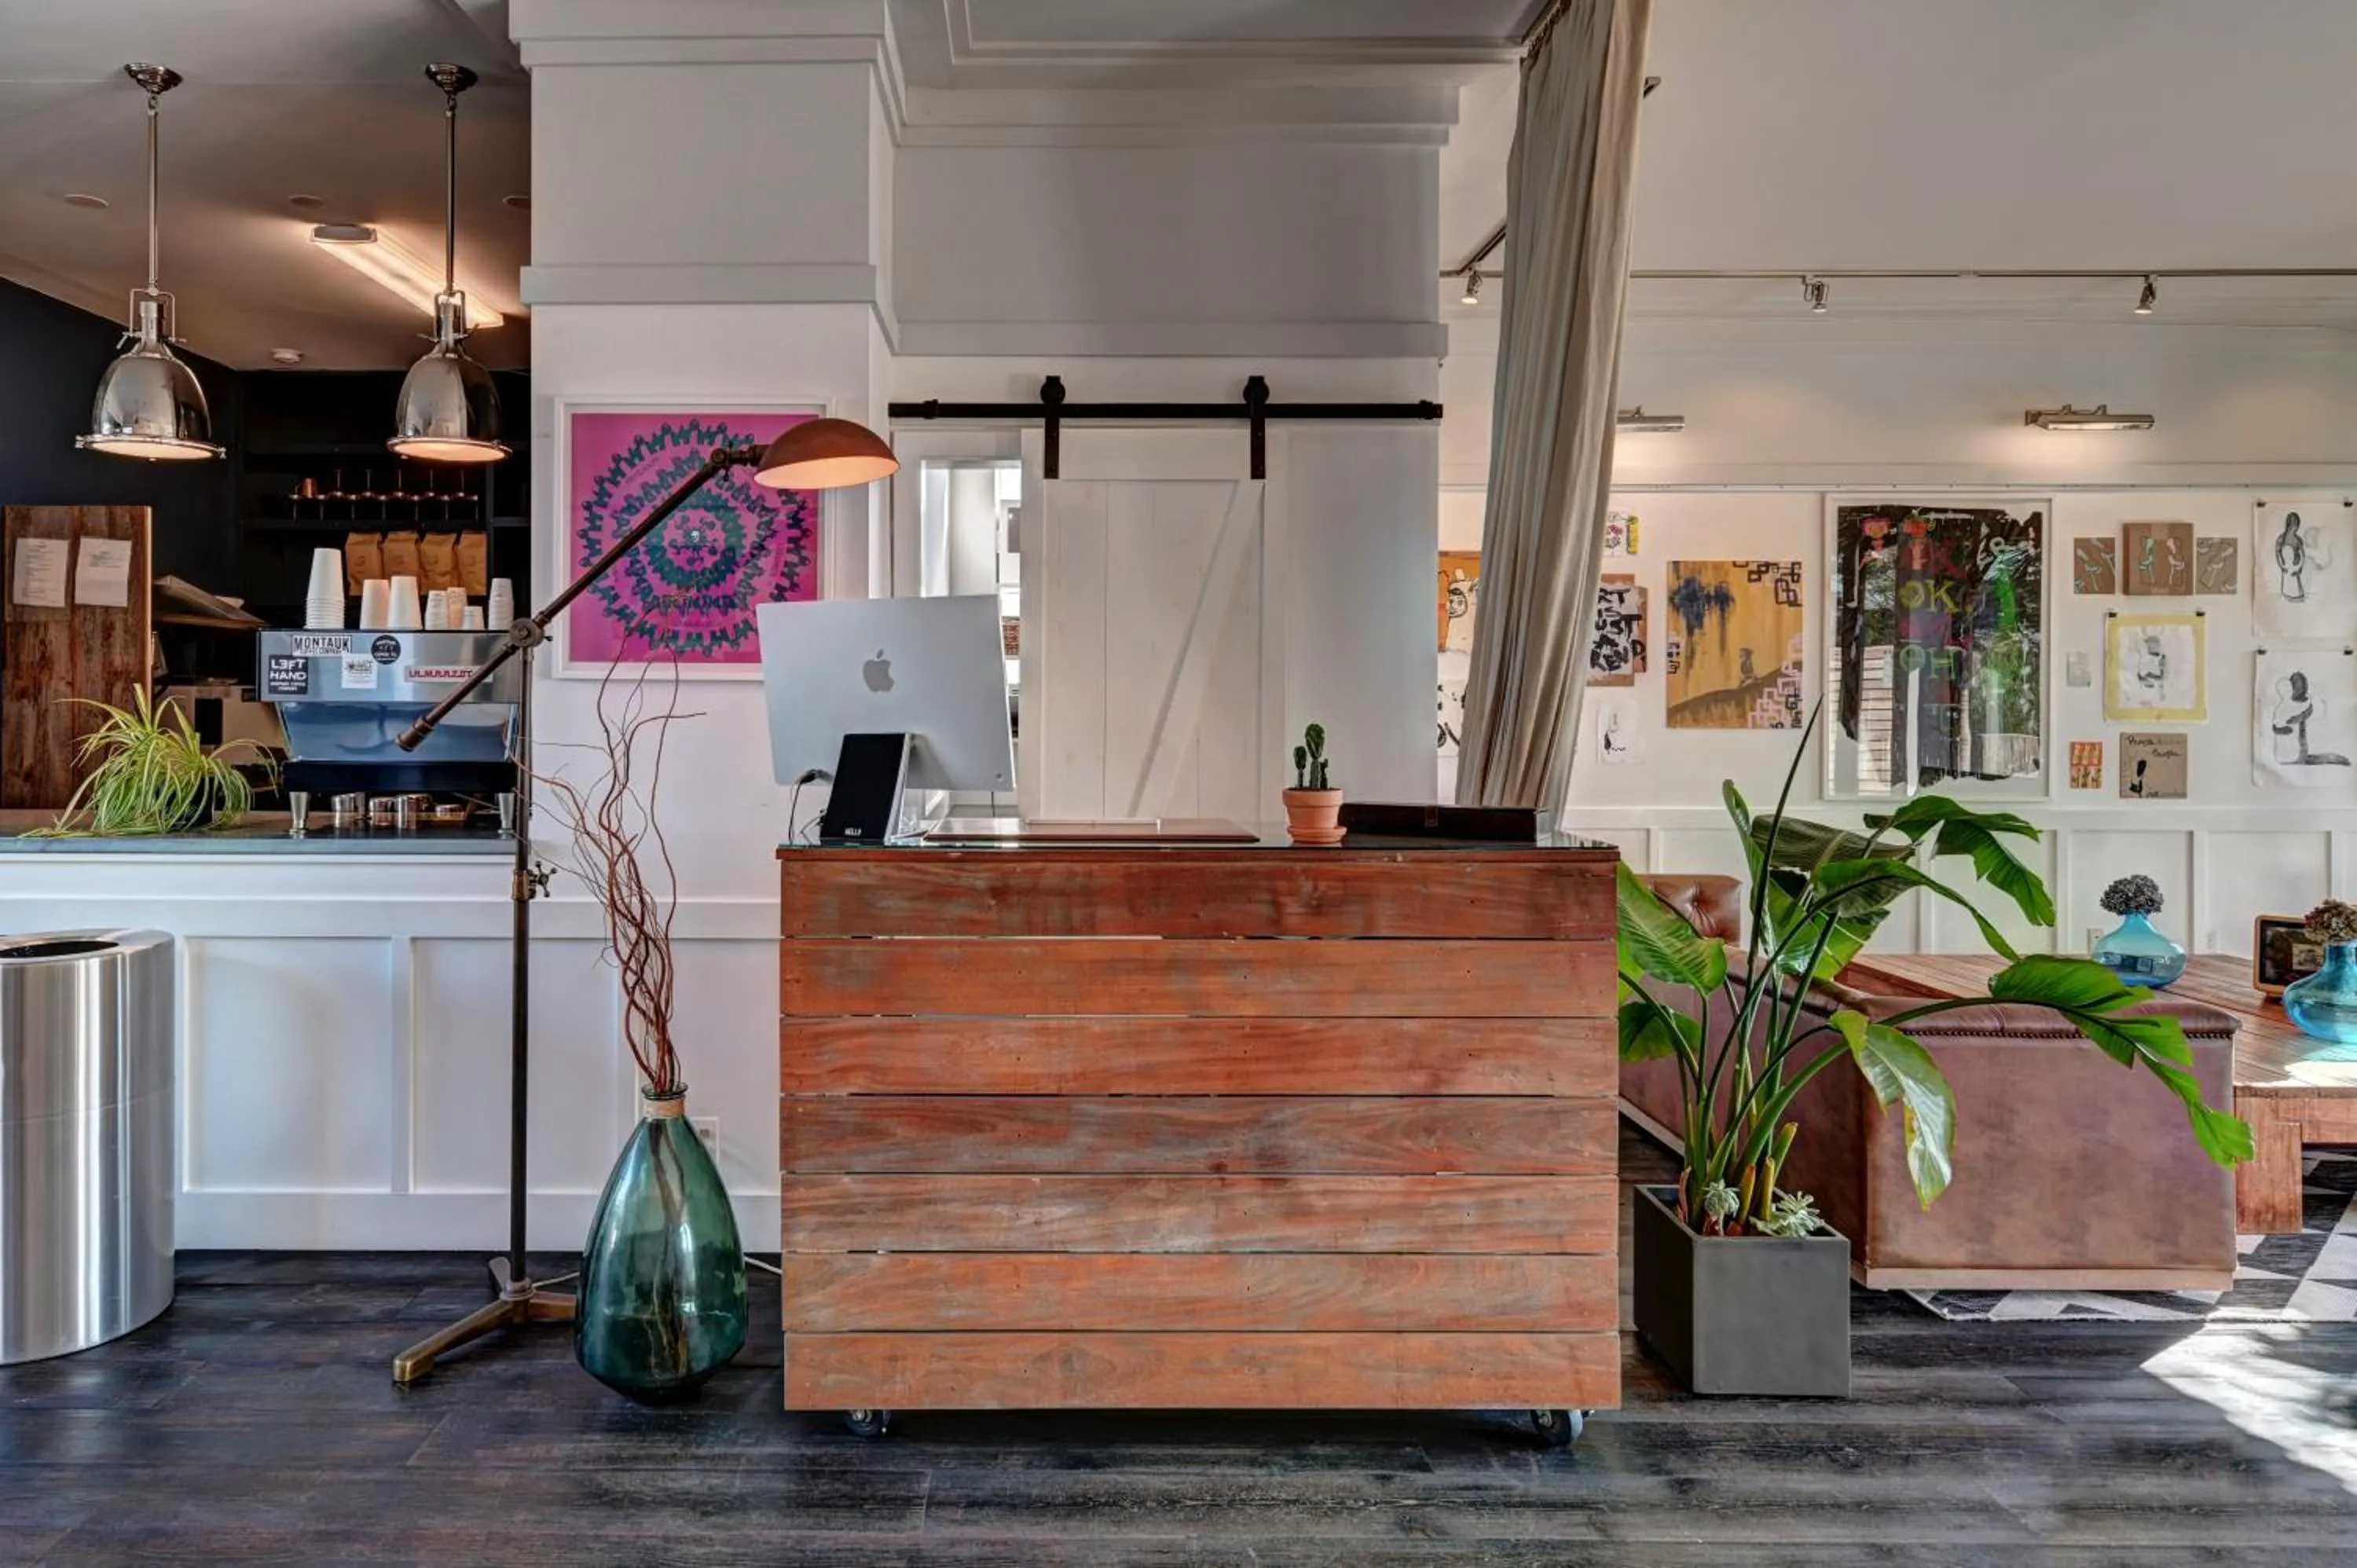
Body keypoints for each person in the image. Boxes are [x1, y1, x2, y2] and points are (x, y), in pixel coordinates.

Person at [2274, 670, 2350, 767]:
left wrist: (2302, 716)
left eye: (2302, 685)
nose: (2300, 688)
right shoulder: (2284, 707)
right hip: (2287, 753)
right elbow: (2277, 727)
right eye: (2297, 685)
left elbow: (2311, 713)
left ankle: (2332, 758)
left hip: (2299, 752)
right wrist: (2287, 727)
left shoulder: (2306, 703)